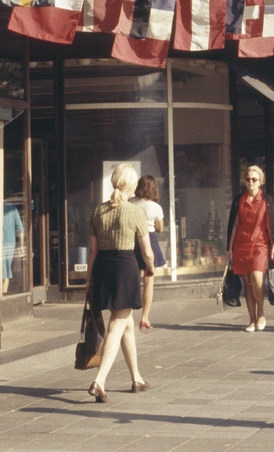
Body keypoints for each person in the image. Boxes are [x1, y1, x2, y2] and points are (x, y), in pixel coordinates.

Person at [86, 163, 156, 402]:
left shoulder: (98, 212)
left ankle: (136, 377)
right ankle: (100, 381)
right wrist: (151, 267)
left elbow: (92, 251)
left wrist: (88, 279)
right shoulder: (135, 212)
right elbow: (147, 251)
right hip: (125, 268)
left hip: (103, 268)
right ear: (132, 185)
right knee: (117, 323)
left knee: (126, 322)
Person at [227, 164, 274, 332]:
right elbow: (234, 224)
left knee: (257, 280)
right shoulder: (239, 199)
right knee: (247, 284)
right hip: (241, 245)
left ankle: (261, 313)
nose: (251, 182)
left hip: (260, 244)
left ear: (260, 181)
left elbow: (271, 223)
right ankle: (251, 320)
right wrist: (229, 248)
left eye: (254, 179)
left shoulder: (266, 200)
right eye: (248, 179)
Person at [131, 175, 166, 329]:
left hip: (131, 240)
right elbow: (159, 228)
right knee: (148, 280)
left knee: (132, 280)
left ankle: (128, 315)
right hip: (148, 239)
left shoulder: (130, 203)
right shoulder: (155, 207)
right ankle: (144, 318)